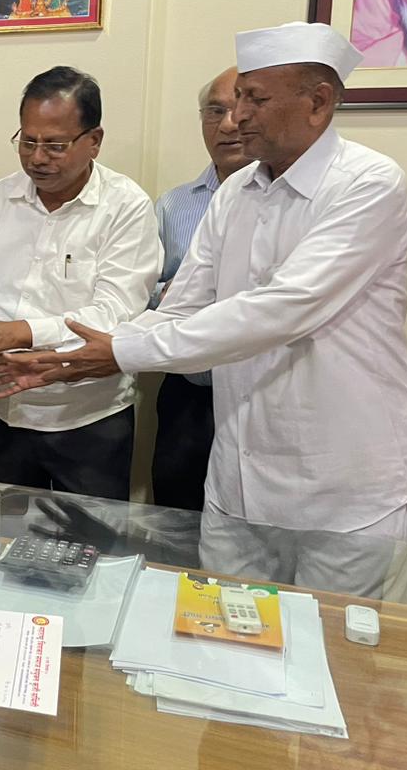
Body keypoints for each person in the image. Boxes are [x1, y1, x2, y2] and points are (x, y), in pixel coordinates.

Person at [0, 22, 407, 591]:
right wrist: (74, 358)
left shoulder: (368, 183)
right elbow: (180, 306)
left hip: (340, 484)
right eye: (234, 101)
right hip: (237, 478)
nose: (236, 118)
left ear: (317, 102)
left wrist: (118, 352)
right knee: (226, 630)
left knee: (329, 642)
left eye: (255, 100)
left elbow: (281, 309)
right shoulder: (235, 192)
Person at [0, 66, 160, 500]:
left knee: (91, 537)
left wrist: (17, 333)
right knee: (1, 533)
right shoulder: (1, 197)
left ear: (94, 140)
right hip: (1, 408)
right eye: (28, 141)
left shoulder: (126, 206)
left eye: (55, 146)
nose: (37, 158)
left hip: (87, 416)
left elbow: (114, 313)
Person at [147, 66, 250, 511]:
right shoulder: (174, 205)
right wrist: (171, 294)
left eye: (240, 108)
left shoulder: (290, 202)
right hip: (188, 394)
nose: (228, 124)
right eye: (214, 111)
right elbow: (146, 292)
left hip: (257, 392)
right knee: (176, 517)